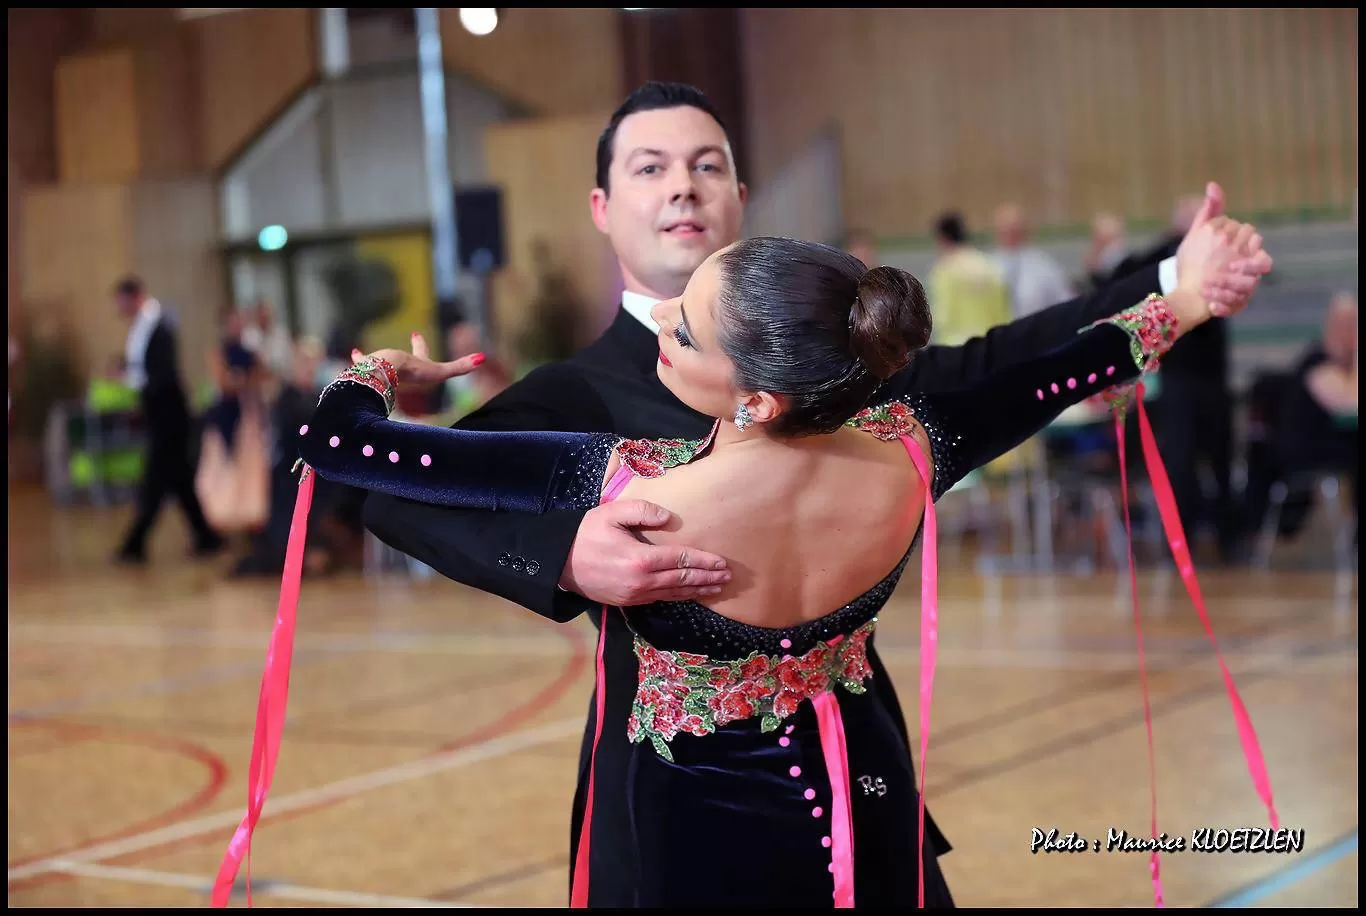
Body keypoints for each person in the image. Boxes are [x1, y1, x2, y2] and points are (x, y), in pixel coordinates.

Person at [356, 82, 1272, 897]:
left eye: (706, 163)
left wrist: (1171, 281)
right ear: (603, 206)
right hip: (671, 804)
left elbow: (1007, 365)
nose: (682, 184)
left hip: (853, 771)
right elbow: (384, 491)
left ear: (740, 198)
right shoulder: (567, 393)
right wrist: (565, 557)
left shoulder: (843, 366)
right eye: (650, 167)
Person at [113, 276, 224, 564]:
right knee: (179, 480)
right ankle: (206, 537)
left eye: (121, 300)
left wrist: (133, 384)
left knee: (156, 480)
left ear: (133, 296)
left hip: (168, 416)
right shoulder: (144, 326)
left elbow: (162, 375)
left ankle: (134, 544)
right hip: (159, 414)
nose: (118, 307)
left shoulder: (159, 326)